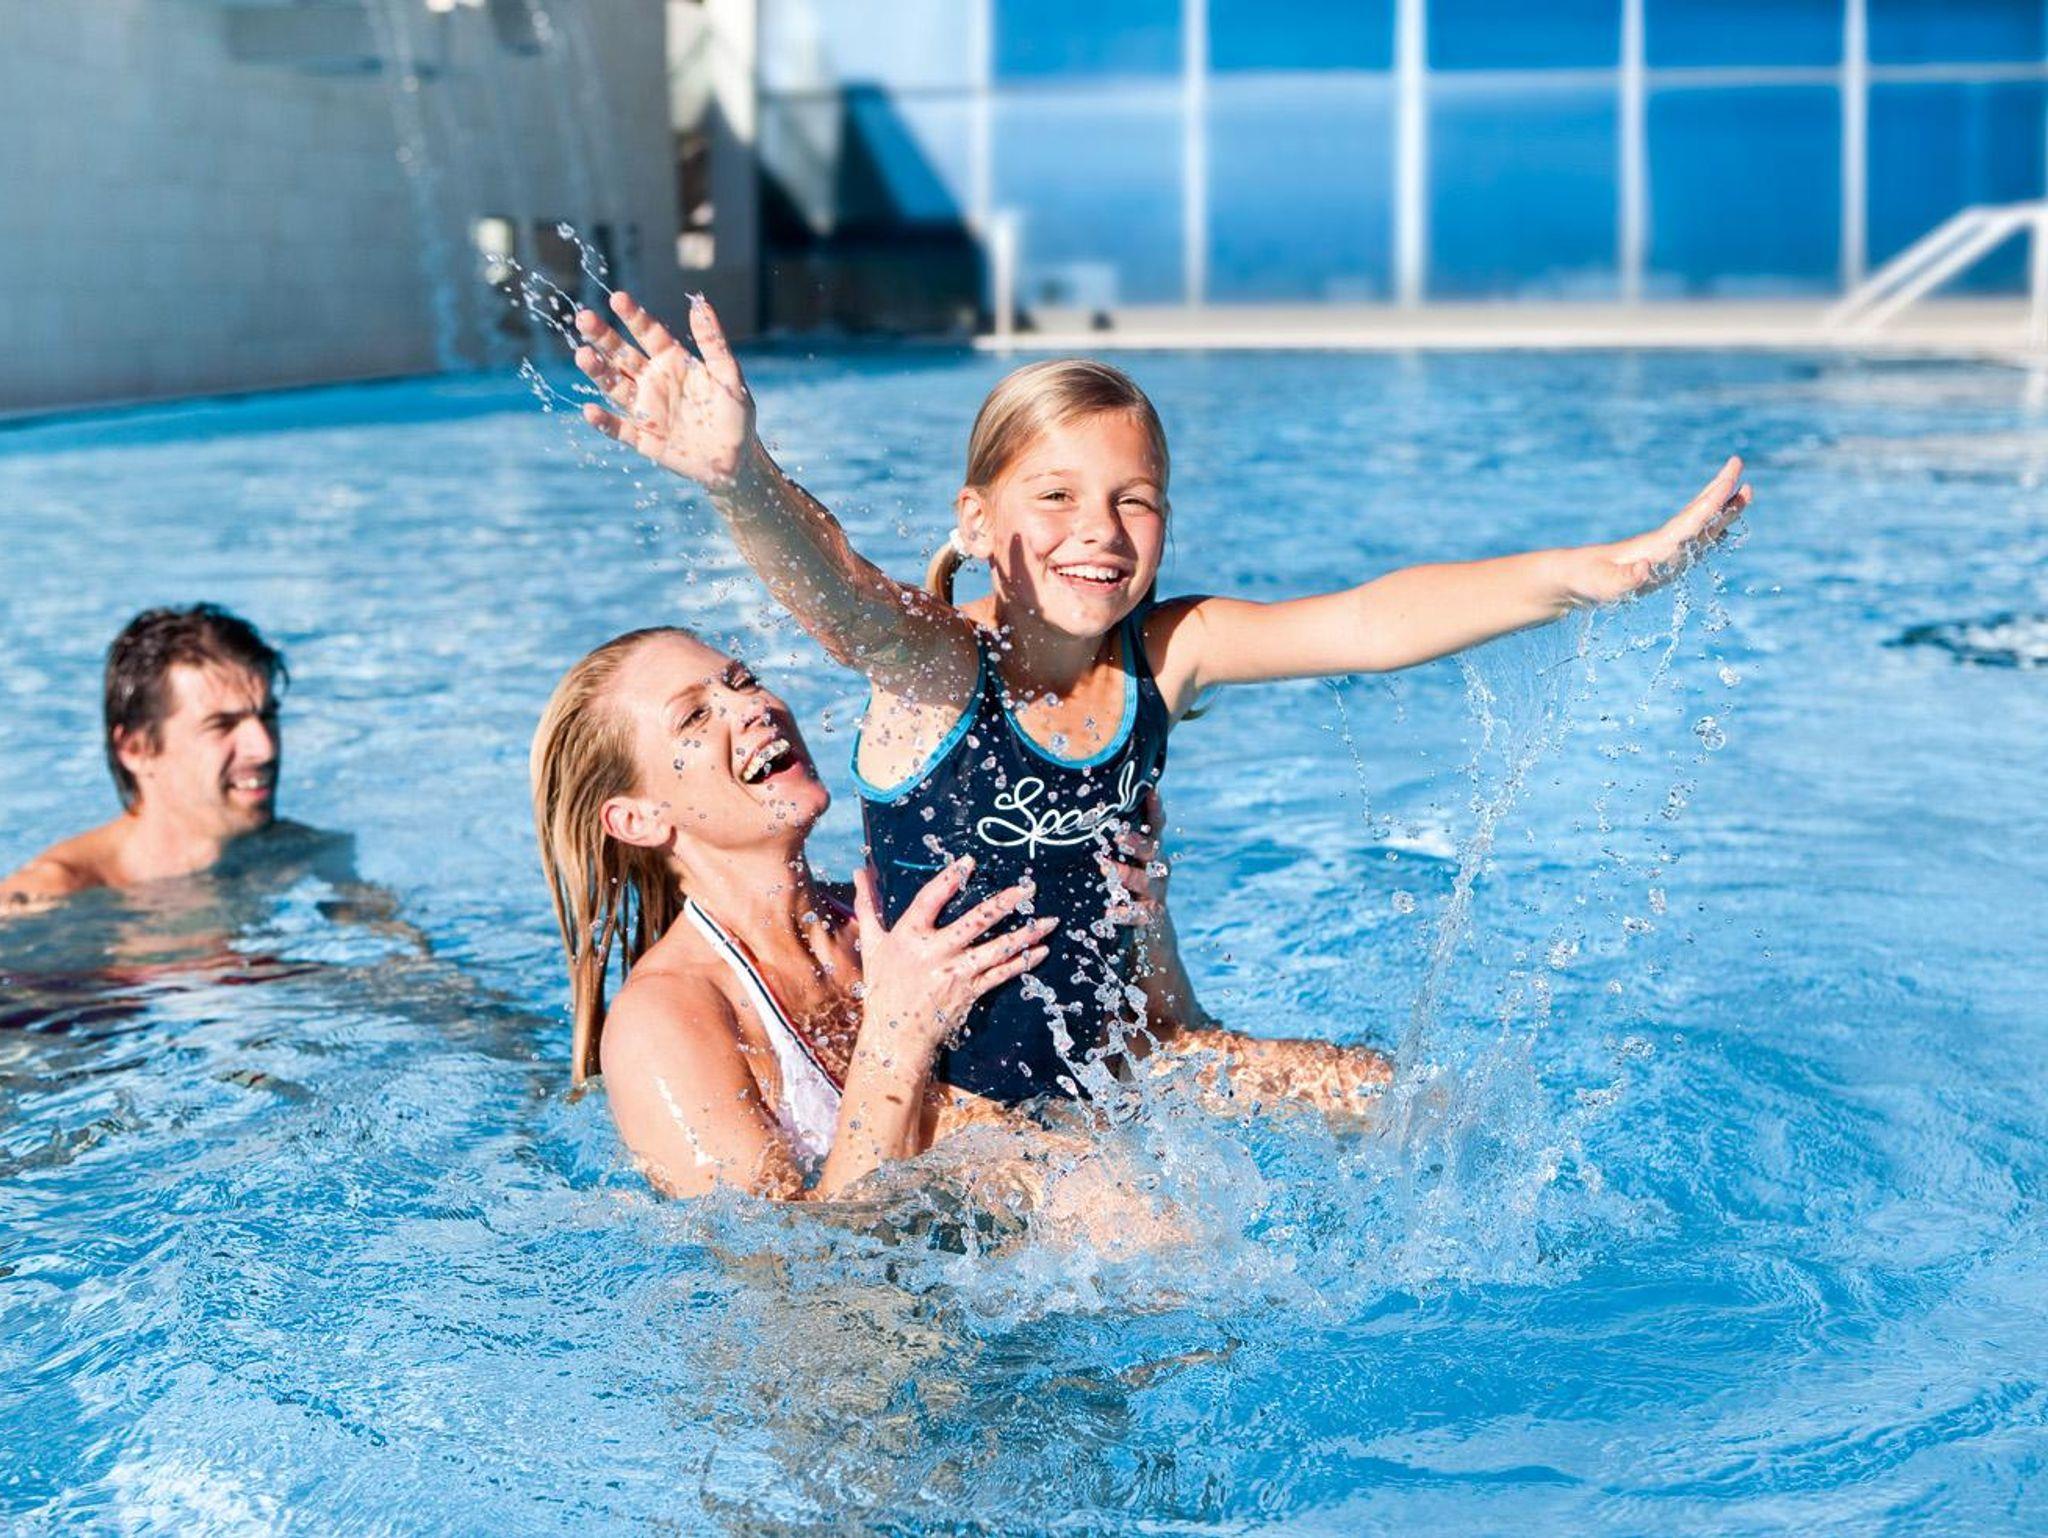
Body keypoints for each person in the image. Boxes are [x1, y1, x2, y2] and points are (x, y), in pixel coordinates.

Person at [574, 293, 1683, 1107]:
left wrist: (1587, 575)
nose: (1098, 531)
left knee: (1409, 1101)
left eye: (1133, 500)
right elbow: (839, 593)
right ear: (976, 523)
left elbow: (1366, 622)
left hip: (1135, 1061)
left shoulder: (1167, 655)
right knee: (1145, 1238)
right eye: (1055, 496)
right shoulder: (941, 670)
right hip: (963, 1117)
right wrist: (742, 480)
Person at [531, 626, 1392, 1202]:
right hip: (888, 1381)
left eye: (742, 679)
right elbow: (797, 1287)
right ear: (637, 819)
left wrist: (1142, 924)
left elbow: (1151, 1054)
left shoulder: (891, 912)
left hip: (1027, 1247)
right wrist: (897, 1034)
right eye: (696, 714)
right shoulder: (664, 1020)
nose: (752, 705)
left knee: (1384, 1092)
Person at [2, 604, 290, 908]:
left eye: (268, 717)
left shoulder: (296, 856)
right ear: (136, 749)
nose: (264, 749)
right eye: (222, 725)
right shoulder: (50, 898)